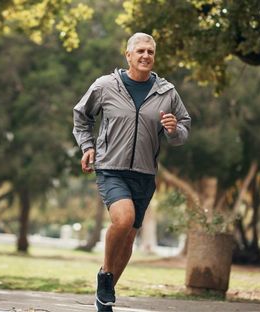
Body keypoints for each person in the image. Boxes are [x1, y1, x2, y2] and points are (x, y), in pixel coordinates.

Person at [72, 32, 191, 312]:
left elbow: (182, 130)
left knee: (130, 235)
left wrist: (175, 130)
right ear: (128, 55)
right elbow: (81, 116)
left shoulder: (166, 92)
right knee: (123, 220)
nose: (145, 56)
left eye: (150, 51)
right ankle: (105, 276)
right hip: (110, 168)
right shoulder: (105, 85)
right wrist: (87, 146)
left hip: (145, 174)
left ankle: (105, 295)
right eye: (140, 51)